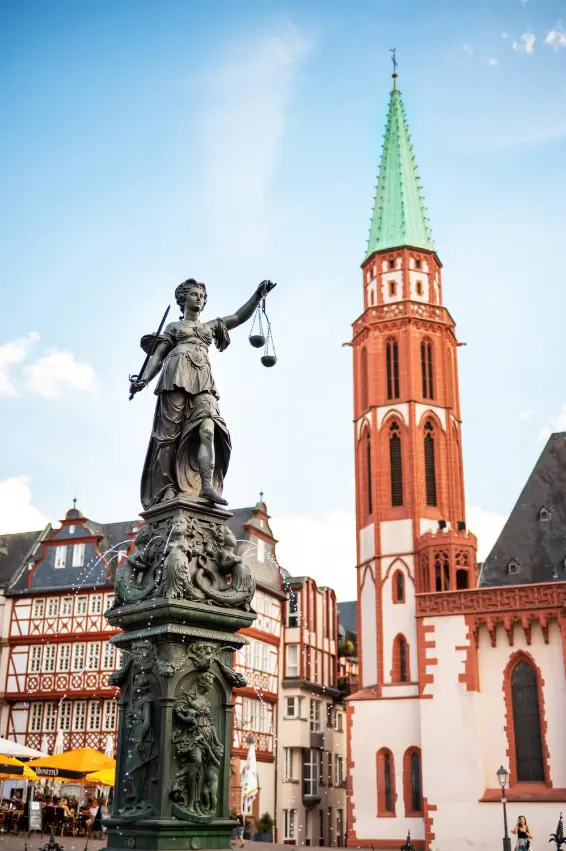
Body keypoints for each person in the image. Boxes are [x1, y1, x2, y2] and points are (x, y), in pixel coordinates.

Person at [129, 278, 276, 509]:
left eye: (203, 296)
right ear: (183, 299)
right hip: (175, 377)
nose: (200, 298)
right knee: (168, 437)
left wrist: (258, 296)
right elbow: (157, 357)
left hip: (203, 381)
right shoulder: (174, 328)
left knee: (209, 428)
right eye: (195, 294)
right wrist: (144, 379)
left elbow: (238, 317)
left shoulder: (209, 327)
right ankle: (166, 488)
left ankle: (207, 485)